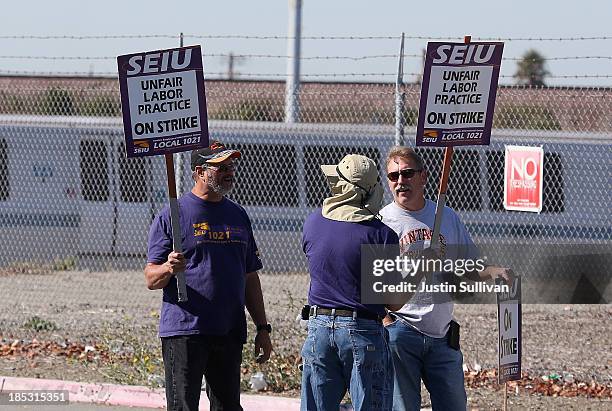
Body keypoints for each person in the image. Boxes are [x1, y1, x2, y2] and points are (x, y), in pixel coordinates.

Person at [379, 146, 513, 411]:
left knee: (454, 405)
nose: (400, 181)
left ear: (423, 177)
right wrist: (387, 323)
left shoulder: (446, 216)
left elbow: (467, 267)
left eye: (407, 174)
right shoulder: (383, 221)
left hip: (442, 336)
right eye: (394, 176)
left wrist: (493, 271)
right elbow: (372, 282)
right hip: (401, 333)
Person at [145, 141, 272, 411]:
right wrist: (168, 268)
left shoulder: (238, 215)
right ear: (199, 172)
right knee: (183, 407)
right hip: (186, 330)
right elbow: (150, 278)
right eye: (220, 167)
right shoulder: (173, 215)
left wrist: (262, 327)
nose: (229, 172)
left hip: (228, 330)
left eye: (231, 166)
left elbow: (250, 275)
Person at [300, 154, 400, 411]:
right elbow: (392, 301)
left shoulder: (314, 223)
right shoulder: (381, 235)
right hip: (362, 328)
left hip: (318, 327)